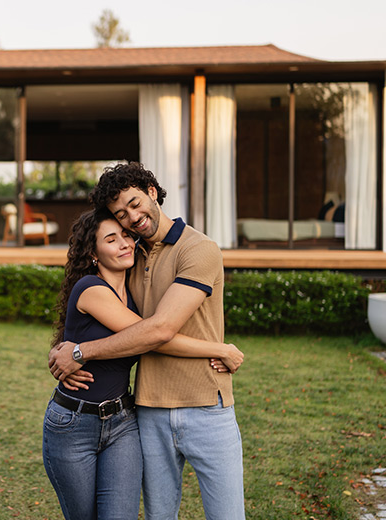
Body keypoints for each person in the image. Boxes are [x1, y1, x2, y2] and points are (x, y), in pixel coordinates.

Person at [49, 162, 246, 520]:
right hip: (148, 409)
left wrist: (79, 351)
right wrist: (68, 349)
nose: (132, 220)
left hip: (205, 405)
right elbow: (114, 322)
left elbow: (158, 330)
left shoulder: (198, 249)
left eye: (135, 204)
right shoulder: (132, 257)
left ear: (152, 193)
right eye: (121, 216)